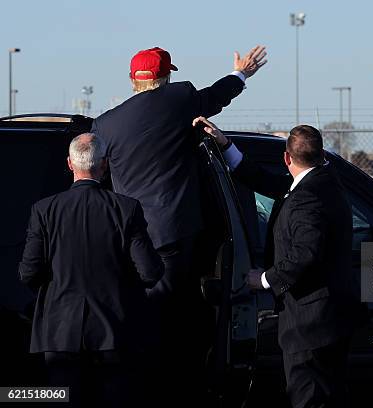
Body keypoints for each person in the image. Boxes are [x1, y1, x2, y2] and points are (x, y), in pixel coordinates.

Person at [90, 45, 267, 400]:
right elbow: (216, 97)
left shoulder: (105, 125)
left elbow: (96, 178)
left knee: (139, 319)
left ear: (131, 79)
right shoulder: (179, 99)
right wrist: (242, 73)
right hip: (172, 234)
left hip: (126, 242)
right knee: (174, 319)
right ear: (166, 76)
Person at [195, 117, 358, 408]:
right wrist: (226, 145)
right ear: (321, 154)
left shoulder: (306, 198)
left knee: (310, 398)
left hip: (310, 324)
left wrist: (266, 279)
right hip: (327, 320)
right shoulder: (322, 183)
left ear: (286, 157)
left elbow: (305, 254)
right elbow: (262, 179)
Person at [18, 133, 163, 407]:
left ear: (70, 164)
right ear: (104, 165)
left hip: (59, 334)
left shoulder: (44, 210)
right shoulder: (126, 209)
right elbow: (150, 272)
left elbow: (28, 272)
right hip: (114, 332)